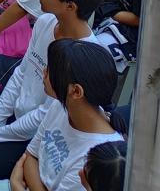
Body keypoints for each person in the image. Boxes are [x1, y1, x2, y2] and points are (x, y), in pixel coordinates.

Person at [0, 0, 107, 181]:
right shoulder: (45, 22)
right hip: (14, 111)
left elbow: (45, 115)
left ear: (70, 6)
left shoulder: (83, 57)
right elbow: (21, 73)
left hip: (33, 135)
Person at [7, 40, 123, 191]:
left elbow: (29, 161)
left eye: (52, 71)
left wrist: (17, 186)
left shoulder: (98, 156)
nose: (44, 72)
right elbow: (30, 156)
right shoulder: (61, 105)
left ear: (76, 91)